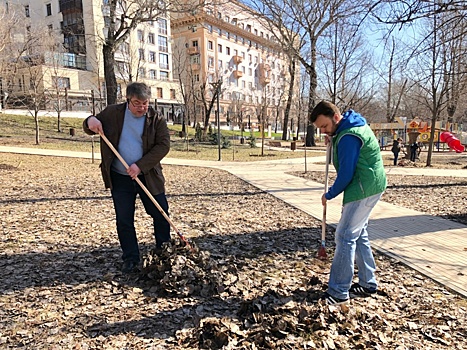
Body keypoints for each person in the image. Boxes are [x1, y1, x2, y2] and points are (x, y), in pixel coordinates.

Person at [83, 82, 171, 274]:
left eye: (145, 103)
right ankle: (130, 258)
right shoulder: (113, 113)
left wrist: (140, 165)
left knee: (161, 214)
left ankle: (164, 253)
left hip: (148, 176)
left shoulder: (156, 119)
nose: (141, 107)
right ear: (128, 100)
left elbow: (163, 146)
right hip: (120, 177)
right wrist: (90, 120)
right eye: (137, 103)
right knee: (124, 220)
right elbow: (91, 125)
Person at [310, 101, 387, 305]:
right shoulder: (350, 125)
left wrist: (330, 194)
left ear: (336, 117)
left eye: (325, 126)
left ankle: (338, 292)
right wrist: (332, 138)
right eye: (320, 129)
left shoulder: (348, 137)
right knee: (358, 233)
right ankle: (368, 283)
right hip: (371, 184)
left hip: (363, 187)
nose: (323, 131)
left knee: (344, 235)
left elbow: (346, 173)